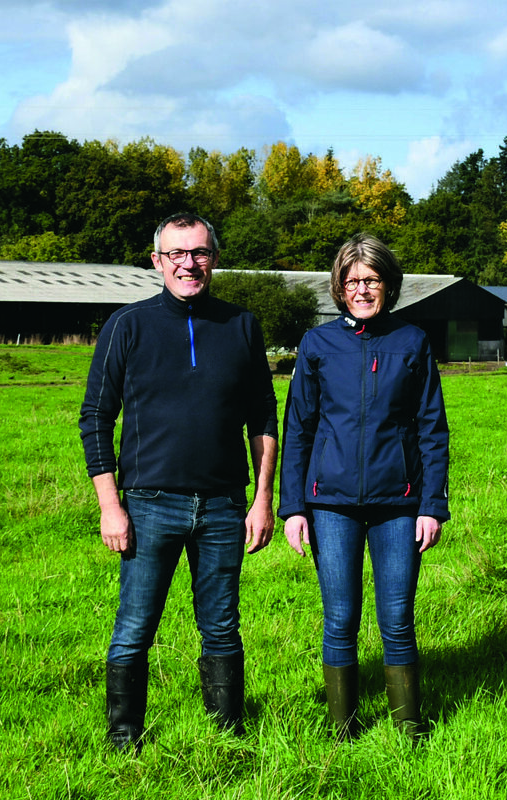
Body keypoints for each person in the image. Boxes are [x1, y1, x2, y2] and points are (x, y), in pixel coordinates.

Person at [79, 212, 278, 752]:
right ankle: (124, 738)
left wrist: (262, 502)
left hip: (221, 505)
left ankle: (226, 734)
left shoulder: (241, 326)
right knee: (135, 626)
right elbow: (96, 416)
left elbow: (263, 415)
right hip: (148, 505)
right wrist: (109, 505)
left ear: (214, 257)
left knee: (222, 626)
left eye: (199, 253)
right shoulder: (127, 325)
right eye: (176, 254)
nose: (188, 264)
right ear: (157, 260)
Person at [278, 233, 450, 742]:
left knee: (397, 619)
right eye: (353, 281)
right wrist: (294, 508)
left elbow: (431, 429)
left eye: (371, 280)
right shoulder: (317, 344)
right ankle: (342, 730)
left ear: (388, 284)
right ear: (339, 286)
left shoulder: (412, 342)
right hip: (329, 505)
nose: (362, 289)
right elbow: (299, 429)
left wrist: (432, 505)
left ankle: (409, 731)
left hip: (400, 505)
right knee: (340, 621)